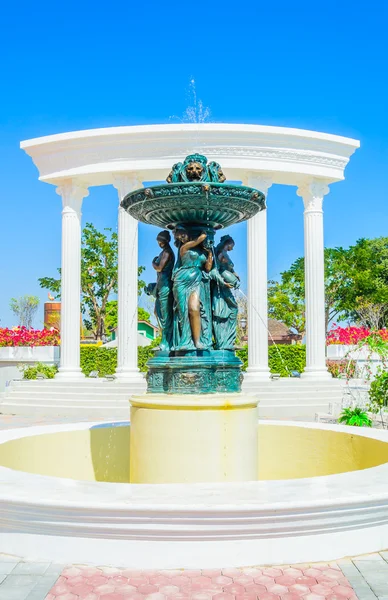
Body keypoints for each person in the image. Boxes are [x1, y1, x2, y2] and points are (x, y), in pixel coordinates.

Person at [172, 226, 213, 351]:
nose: (181, 238)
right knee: (183, 311)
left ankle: (197, 341)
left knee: (194, 309)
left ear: (188, 233)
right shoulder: (184, 248)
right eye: (178, 237)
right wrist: (203, 236)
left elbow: (207, 268)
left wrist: (210, 252)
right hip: (181, 281)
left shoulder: (203, 252)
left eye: (182, 235)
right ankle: (185, 341)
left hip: (196, 280)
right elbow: (199, 239)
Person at [211, 235, 239, 350]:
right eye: (231, 246)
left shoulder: (223, 252)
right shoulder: (219, 253)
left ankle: (226, 340)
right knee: (228, 310)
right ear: (228, 243)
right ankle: (223, 341)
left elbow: (227, 267)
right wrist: (223, 283)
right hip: (220, 287)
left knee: (230, 310)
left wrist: (234, 273)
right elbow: (214, 271)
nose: (232, 248)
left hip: (224, 285)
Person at [149, 230, 175, 351]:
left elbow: (159, 268)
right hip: (161, 284)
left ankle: (167, 341)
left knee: (165, 315)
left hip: (165, 285)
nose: (159, 243)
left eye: (160, 241)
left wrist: (153, 263)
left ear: (164, 241)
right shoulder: (164, 252)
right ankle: (164, 339)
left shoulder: (167, 252)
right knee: (157, 312)